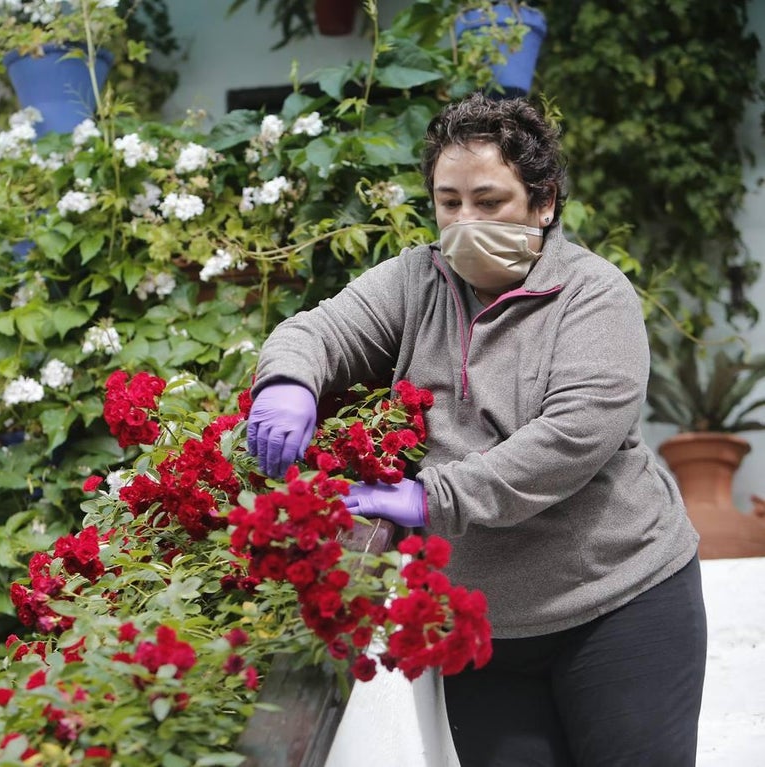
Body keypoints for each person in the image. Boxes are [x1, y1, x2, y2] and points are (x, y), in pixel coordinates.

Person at [246, 92, 706, 766]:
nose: (465, 221)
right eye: (448, 201)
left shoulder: (593, 293)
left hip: (621, 603)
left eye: (489, 202)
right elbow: (317, 330)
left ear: (543, 201)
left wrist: (431, 498)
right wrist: (286, 383)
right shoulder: (415, 282)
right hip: (485, 630)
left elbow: (572, 437)